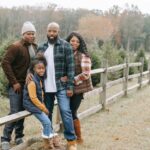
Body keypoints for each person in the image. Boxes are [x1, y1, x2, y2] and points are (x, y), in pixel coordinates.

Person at [37, 22, 77, 150]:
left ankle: (71, 141)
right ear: (46, 31)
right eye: (50, 31)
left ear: (58, 32)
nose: (52, 34)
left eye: (54, 31)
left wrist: (70, 86)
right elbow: (35, 67)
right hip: (46, 87)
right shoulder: (41, 47)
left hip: (61, 86)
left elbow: (71, 68)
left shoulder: (65, 46)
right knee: (47, 113)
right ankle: (48, 140)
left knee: (65, 111)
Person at [1, 21, 37, 150]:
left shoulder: (34, 47)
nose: (31, 36)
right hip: (16, 86)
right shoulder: (15, 47)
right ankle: (5, 139)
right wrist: (14, 82)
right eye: (28, 33)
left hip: (28, 86)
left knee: (23, 111)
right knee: (15, 111)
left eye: (33, 33)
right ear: (23, 34)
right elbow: (5, 63)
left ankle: (19, 136)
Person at [23, 55, 59, 150]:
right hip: (31, 105)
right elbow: (33, 98)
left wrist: (43, 106)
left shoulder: (39, 79)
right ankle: (47, 145)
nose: (41, 70)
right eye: (39, 68)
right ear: (34, 69)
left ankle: (52, 141)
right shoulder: (32, 81)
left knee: (47, 121)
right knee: (47, 122)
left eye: (43, 68)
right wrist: (43, 108)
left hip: (37, 105)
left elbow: (40, 96)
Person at [66, 32, 93, 144]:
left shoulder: (83, 56)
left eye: (77, 41)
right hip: (67, 88)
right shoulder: (65, 54)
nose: (74, 43)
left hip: (79, 88)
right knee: (67, 112)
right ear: (68, 41)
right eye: (72, 40)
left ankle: (79, 137)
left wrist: (71, 80)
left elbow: (86, 74)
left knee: (72, 112)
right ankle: (71, 136)